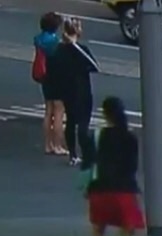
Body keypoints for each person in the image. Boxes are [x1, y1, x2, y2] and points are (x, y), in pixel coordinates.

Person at [80, 96, 145, 236]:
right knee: (130, 233)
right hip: (125, 190)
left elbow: (88, 163)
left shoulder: (97, 136)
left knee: (98, 231)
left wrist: (85, 186)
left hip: (99, 189)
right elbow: (132, 166)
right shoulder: (129, 137)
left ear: (105, 114)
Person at [50, 18, 99, 166]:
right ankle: (87, 153)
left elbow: (53, 69)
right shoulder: (81, 50)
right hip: (82, 90)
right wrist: (75, 46)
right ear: (77, 31)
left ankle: (73, 154)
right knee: (83, 124)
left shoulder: (59, 50)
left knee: (71, 121)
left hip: (67, 91)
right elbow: (94, 65)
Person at [33, 12, 66, 155]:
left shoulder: (38, 39)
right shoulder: (56, 43)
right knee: (59, 112)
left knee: (48, 111)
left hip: (45, 77)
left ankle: (48, 144)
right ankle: (58, 145)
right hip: (57, 77)